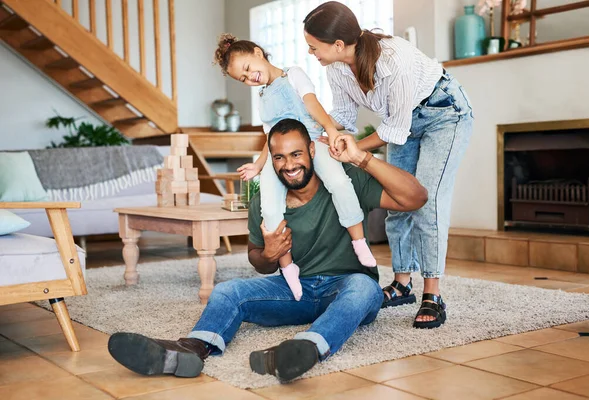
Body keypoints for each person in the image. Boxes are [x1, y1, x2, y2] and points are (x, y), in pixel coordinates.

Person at [107, 118, 427, 382]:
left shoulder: (347, 181)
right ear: (270, 159)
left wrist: (362, 157)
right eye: (279, 157)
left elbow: (416, 199)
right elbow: (257, 261)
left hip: (348, 287)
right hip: (296, 290)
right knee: (229, 290)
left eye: (296, 154)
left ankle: (305, 348)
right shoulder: (265, 201)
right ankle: (192, 349)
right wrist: (271, 254)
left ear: (312, 151)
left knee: (363, 288)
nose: (289, 165)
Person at [303, 1, 474, 329]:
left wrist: (353, 148)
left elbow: (394, 129)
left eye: (313, 46)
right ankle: (402, 284)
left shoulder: (393, 60)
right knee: (398, 203)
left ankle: (433, 294)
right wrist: (322, 135)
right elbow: (344, 117)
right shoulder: (336, 67)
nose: (311, 52)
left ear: (338, 45)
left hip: (444, 113)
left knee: (426, 203)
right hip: (404, 121)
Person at [213, 33, 378, 302]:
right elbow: (270, 138)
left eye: (247, 69)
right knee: (270, 206)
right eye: (242, 79)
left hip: (311, 140)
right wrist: (258, 165)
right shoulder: (263, 97)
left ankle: (358, 242)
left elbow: (312, 104)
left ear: (257, 53)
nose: (249, 78)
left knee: (338, 183)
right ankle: (288, 267)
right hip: (279, 155)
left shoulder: (294, 75)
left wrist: (330, 131)